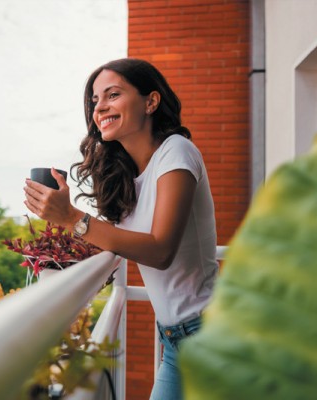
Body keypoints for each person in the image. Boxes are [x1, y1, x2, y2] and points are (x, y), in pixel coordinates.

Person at [23, 58, 218, 400]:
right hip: (175, 338)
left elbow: (159, 250)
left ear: (150, 102)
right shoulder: (126, 175)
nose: (100, 107)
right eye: (95, 100)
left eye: (112, 95)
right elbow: (115, 242)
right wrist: (55, 243)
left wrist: (72, 218)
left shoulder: (177, 153)